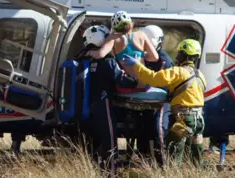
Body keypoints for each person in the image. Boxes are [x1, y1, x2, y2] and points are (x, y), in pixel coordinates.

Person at [121, 39, 206, 167]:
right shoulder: (200, 74)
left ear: (185, 55)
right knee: (196, 151)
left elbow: (153, 79)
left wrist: (136, 65)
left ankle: (172, 174)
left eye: (179, 54)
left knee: (174, 150)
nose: (177, 57)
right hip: (199, 119)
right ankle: (199, 173)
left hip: (183, 119)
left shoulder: (178, 71)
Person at [77, 24, 140, 174]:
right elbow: (121, 79)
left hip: (85, 106)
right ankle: (111, 171)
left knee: (92, 140)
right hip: (102, 103)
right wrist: (137, 79)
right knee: (109, 139)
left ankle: (92, 170)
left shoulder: (83, 58)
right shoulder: (107, 61)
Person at [136, 25, 174, 167]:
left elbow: (161, 84)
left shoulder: (165, 61)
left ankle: (162, 164)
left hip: (162, 101)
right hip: (145, 100)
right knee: (142, 129)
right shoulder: (142, 56)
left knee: (159, 129)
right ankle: (144, 162)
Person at [86, 11, 159, 66]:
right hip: (144, 82)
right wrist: (140, 56)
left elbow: (100, 54)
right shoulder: (141, 35)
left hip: (128, 83)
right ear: (131, 23)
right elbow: (155, 57)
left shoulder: (113, 38)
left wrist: (89, 52)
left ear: (114, 27)